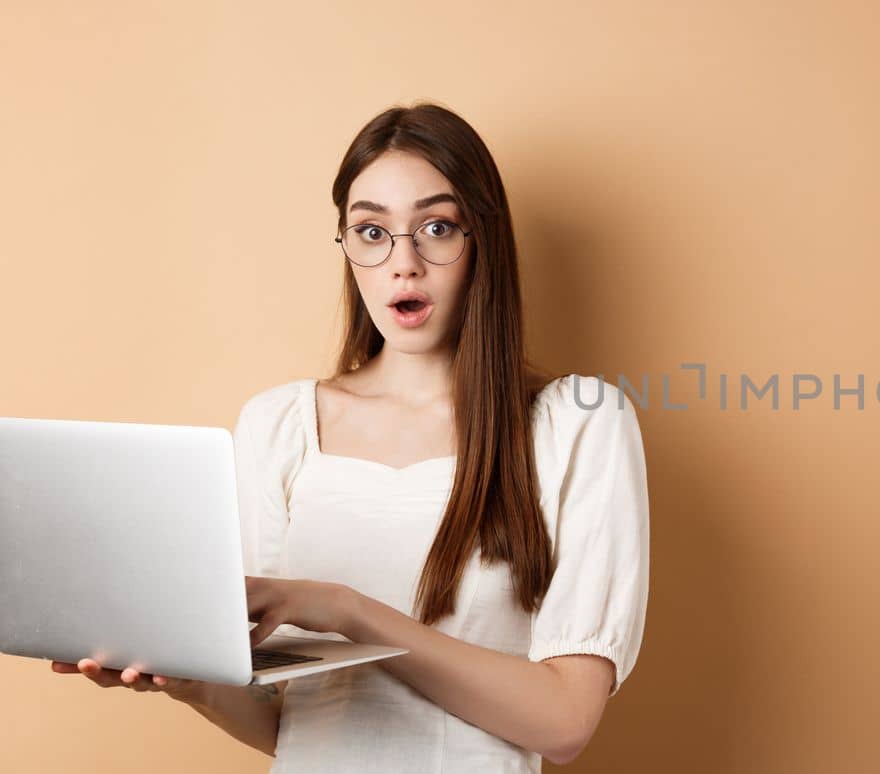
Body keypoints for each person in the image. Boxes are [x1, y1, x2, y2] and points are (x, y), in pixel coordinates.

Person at [49, 101, 651, 773]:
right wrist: (191, 680)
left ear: (484, 239)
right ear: (347, 247)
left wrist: (347, 611)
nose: (404, 262)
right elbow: (289, 723)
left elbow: (563, 723)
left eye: (437, 226)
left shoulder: (579, 422)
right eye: (371, 232)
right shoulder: (278, 426)